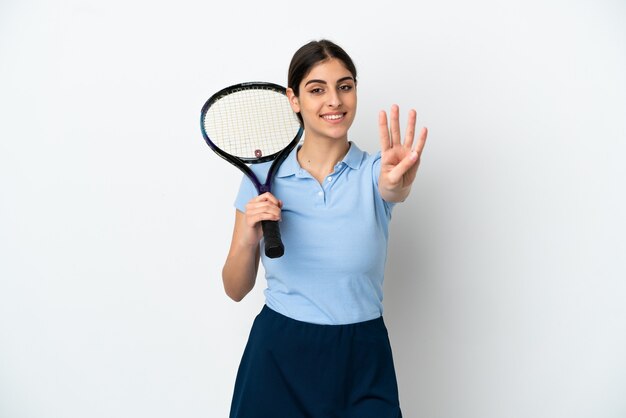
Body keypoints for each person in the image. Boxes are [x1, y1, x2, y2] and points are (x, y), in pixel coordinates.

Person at [222, 39, 428, 418]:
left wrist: (399, 182)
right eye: (317, 89)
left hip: (362, 355)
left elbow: (393, 186)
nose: (334, 100)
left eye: (345, 86)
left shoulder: (375, 171)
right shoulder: (263, 178)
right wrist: (250, 238)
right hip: (278, 356)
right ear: (294, 99)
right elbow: (235, 289)